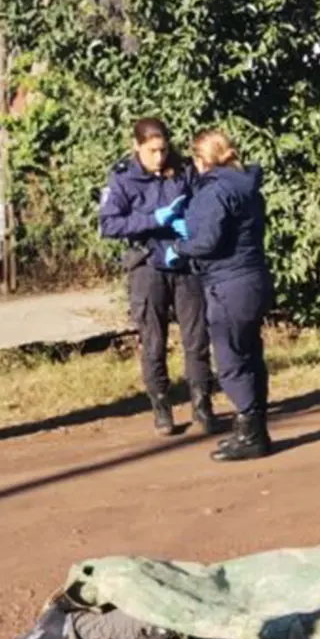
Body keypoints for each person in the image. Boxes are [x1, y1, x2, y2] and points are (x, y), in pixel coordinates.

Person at [99, 117, 217, 437]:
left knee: (197, 339)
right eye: (152, 151)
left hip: (183, 262)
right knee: (153, 342)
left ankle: (202, 404)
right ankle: (162, 407)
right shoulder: (123, 179)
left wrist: (190, 227)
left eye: (163, 149)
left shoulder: (182, 170)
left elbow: (204, 205)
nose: (159, 157)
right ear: (137, 147)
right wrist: (153, 219)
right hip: (147, 265)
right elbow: (109, 224)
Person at [165, 128, 272, 462]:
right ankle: (252, 428)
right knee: (250, 354)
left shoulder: (215, 191)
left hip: (228, 283)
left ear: (201, 159)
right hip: (253, 277)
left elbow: (207, 241)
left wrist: (179, 246)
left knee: (231, 360)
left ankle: (250, 433)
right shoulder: (246, 186)